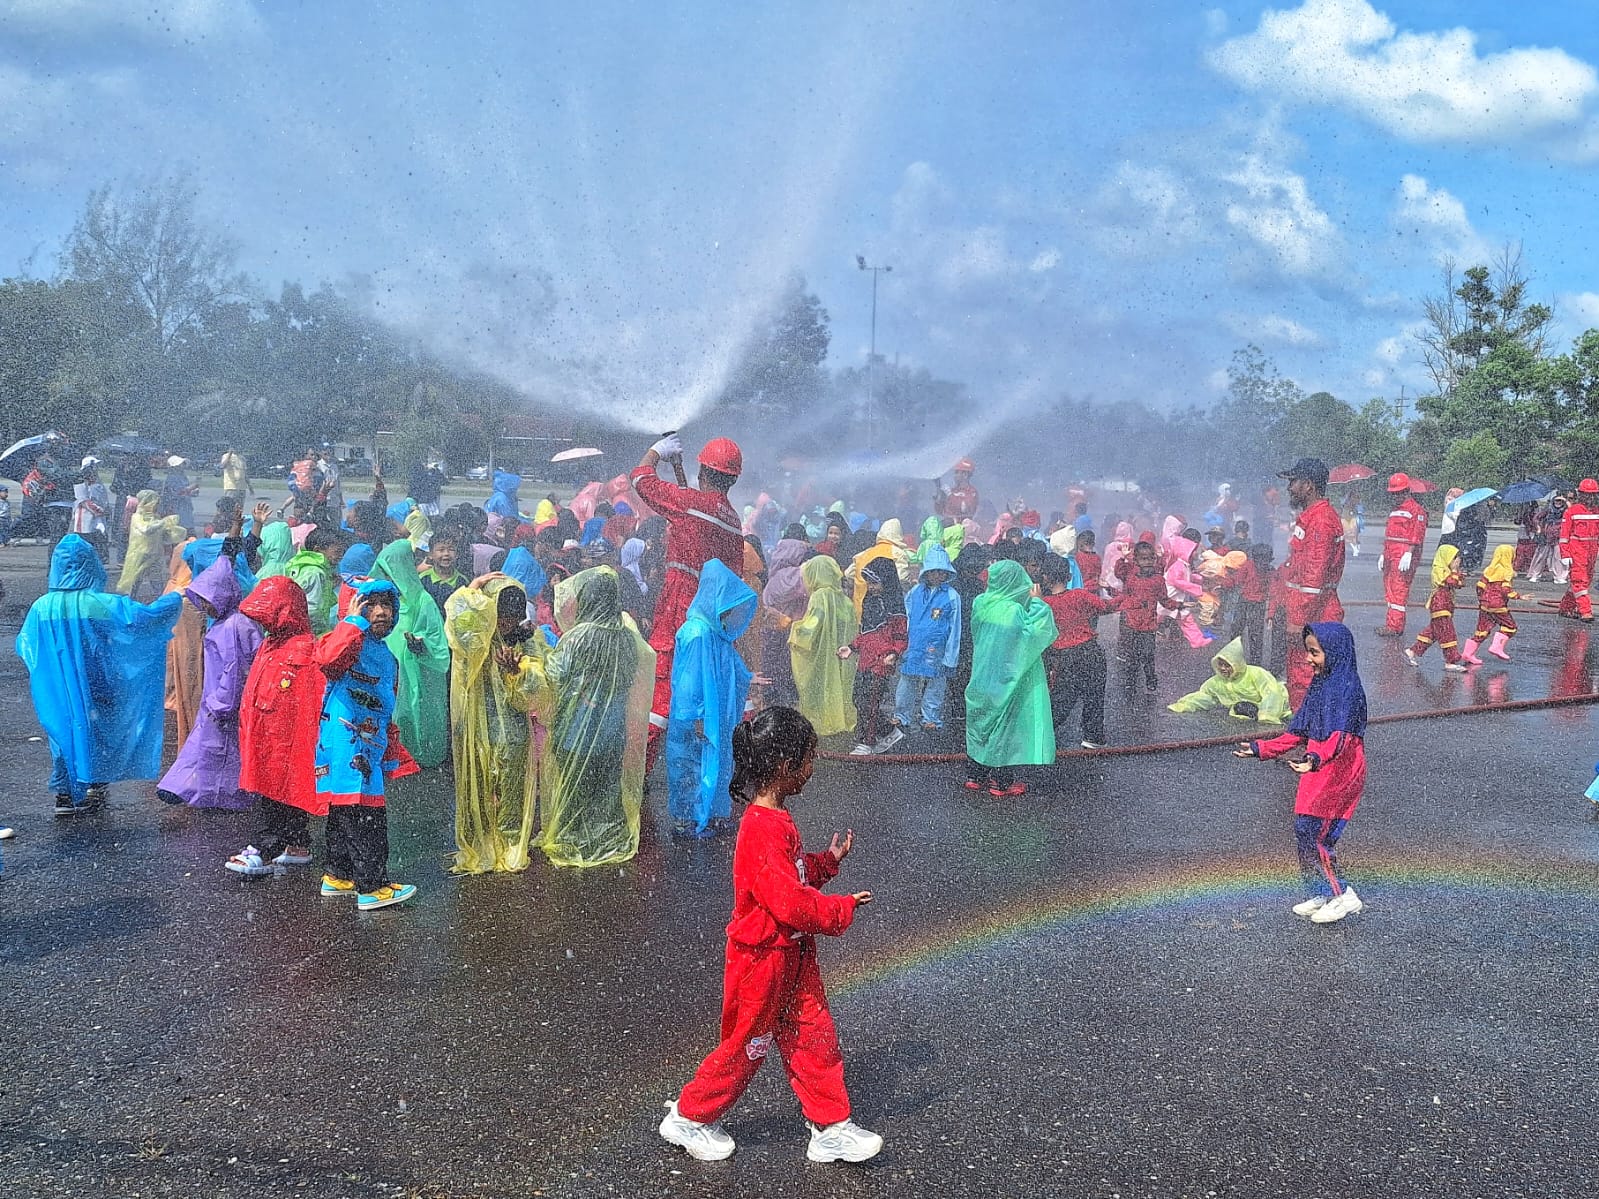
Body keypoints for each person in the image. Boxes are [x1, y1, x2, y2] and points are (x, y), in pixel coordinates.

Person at [658, 706, 880, 1165]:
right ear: (784, 768)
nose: (812, 768)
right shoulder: (760, 829)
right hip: (761, 961)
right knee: (746, 1043)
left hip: (793, 953)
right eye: (808, 759)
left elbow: (791, 879)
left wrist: (827, 862)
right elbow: (789, 902)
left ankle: (830, 1127)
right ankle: (689, 1116)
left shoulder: (777, 819)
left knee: (813, 1035)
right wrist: (839, 908)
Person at [17, 535, 182, 816]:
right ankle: (94, 781)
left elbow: (27, 647)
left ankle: (65, 793)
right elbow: (142, 619)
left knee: (62, 733)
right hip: (99, 679)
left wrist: (52, 672)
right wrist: (177, 598)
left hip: (55, 687)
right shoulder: (98, 603)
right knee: (97, 729)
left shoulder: (40, 607)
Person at [1233, 622, 1367, 924]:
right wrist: (1262, 749)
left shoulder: (1347, 688)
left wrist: (1316, 759)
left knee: (1319, 835)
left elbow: (1342, 737)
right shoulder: (1321, 684)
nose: (1308, 659)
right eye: (1309, 651)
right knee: (1303, 830)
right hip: (1318, 765)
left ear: (1334, 653)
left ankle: (1344, 895)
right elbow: (1299, 731)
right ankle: (1321, 891)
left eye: (1315, 653)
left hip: (1340, 768)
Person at [631, 434, 745, 764]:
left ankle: (638, 776)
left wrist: (656, 451)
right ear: (734, 478)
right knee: (697, 699)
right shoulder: (734, 523)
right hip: (708, 621)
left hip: (677, 608)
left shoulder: (692, 505)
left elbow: (640, 478)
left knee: (659, 692)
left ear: (702, 471)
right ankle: (697, 782)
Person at [536, 567, 655, 868]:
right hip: (613, 729)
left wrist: (537, 653)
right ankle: (606, 839)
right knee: (606, 790)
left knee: (575, 788)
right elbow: (629, 679)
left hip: (576, 729)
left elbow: (555, 674)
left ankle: (573, 838)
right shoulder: (628, 639)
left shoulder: (578, 638)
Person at [315, 579, 419, 910]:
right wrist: (351, 622)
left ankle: (338, 874)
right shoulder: (348, 641)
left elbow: (384, 705)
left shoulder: (385, 655)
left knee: (346, 811)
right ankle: (372, 885)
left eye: (387, 606)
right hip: (348, 747)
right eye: (370, 605)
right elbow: (329, 660)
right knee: (364, 816)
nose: (380, 613)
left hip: (368, 746)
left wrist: (391, 750)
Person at [223, 577, 324, 878]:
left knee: (276, 791)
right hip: (271, 735)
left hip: (286, 738)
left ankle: (264, 848)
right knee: (282, 790)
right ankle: (297, 842)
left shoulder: (304, 649)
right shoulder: (274, 643)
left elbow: (309, 697)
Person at [446, 574, 544, 873]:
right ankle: (481, 839)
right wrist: (473, 588)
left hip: (513, 728)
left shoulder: (528, 640)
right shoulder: (474, 639)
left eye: (514, 615)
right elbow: (458, 621)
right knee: (478, 783)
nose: (508, 622)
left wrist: (518, 672)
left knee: (511, 786)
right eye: (502, 614)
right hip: (477, 726)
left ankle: (511, 840)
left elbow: (540, 687)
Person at [155, 555, 264, 810]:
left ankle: (216, 795)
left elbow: (235, 669)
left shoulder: (232, 625)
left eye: (208, 599)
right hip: (216, 700)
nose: (205, 605)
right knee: (209, 747)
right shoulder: (231, 621)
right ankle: (185, 787)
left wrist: (222, 704)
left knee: (218, 751)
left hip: (223, 703)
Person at [666, 559, 757, 838]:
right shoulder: (697, 633)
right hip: (697, 718)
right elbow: (688, 685)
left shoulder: (716, 634)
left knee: (714, 761)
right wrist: (694, 718)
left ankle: (712, 814)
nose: (732, 614)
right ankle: (687, 819)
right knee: (691, 764)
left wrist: (752, 680)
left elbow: (732, 669)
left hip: (714, 717)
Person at [964, 559, 1056, 797]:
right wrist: (1037, 603)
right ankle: (1001, 782)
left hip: (983, 673)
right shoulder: (1013, 611)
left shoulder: (980, 603)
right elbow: (1035, 633)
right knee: (1005, 726)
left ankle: (976, 775)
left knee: (980, 723)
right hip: (1007, 676)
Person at [372, 538, 451, 769]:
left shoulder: (422, 601)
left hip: (417, 672)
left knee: (417, 715)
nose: (387, 578)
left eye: (390, 572)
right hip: (391, 668)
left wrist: (420, 646)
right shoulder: (384, 601)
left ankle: (420, 761)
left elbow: (438, 644)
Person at [1276, 458, 1346, 709]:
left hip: (1313, 614)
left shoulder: (1321, 521)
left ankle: (1310, 735)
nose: (1289, 488)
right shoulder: (1312, 517)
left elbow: (1313, 578)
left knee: (1307, 675)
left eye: (1293, 482)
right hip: (1306, 610)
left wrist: (1298, 620)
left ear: (1308, 486)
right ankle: (1305, 729)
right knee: (1301, 672)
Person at [1038, 552, 1116, 748]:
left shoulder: (1044, 604)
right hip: (1091, 650)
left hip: (1066, 656)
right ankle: (1093, 736)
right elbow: (1104, 607)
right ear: (1069, 577)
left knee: (1063, 698)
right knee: (1094, 695)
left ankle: (1040, 733)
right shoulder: (1080, 595)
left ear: (1045, 577)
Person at [893, 543, 961, 737]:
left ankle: (930, 718)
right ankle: (901, 714)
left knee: (936, 684)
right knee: (907, 681)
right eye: (934, 571)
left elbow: (955, 628)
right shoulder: (914, 592)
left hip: (937, 648)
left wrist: (951, 656)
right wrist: (903, 644)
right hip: (914, 645)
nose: (938, 575)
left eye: (942, 572)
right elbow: (906, 617)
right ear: (927, 572)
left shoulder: (952, 596)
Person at [842, 557, 907, 755]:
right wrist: (852, 647)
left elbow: (901, 634)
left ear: (887, 581)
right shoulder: (869, 602)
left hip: (881, 661)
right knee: (858, 699)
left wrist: (894, 653)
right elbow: (866, 633)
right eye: (869, 583)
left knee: (870, 701)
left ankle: (867, 742)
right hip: (865, 660)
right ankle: (889, 731)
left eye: (875, 582)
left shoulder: (894, 604)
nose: (871, 587)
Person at [789, 554, 858, 738]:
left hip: (821, 654)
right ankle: (837, 720)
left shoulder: (820, 596)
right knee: (836, 686)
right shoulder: (844, 598)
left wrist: (794, 629)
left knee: (819, 687)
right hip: (840, 655)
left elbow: (812, 625)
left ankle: (820, 722)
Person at [1168, 637, 1290, 724]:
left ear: (1236, 664)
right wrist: (1183, 705)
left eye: (1227, 665)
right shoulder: (1216, 682)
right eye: (1220, 665)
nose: (1223, 669)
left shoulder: (1256, 673)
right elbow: (1205, 697)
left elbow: (1272, 693)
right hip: (1246, 710)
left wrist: (1267, 716)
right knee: (1241, 707)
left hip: (1282, 706)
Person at [759, 538, 813, 709]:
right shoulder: (785, 576)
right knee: (781, 674)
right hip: (781, 632)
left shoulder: (779, 574)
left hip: (778, 632)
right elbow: (811, 580)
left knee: (777, 674)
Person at [1376, 473, 1428, 637]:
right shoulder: (1395, 511)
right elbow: (1390, 534)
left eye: (1399, 493)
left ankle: (1395, 626)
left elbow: (1417, 534)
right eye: (1393, 493)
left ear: (1407, 491)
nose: (1396, 496)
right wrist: (1384, 554)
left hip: (1404, 554)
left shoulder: (1416, 510)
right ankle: (1390, 623)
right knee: (1389, 587)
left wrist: (1409, 553)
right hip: (1391, 552)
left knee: (1399, 588)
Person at [1405, 544, 1468, 672]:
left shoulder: (1448, 570)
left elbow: (1460, 583)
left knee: (1433, 632)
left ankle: (1412, 651)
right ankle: (1451, 660)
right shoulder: (1439, 569)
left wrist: (1457, 574)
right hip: (1440, 605)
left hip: (1446, 605)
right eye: (1454, 558)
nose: (1457, 561)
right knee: (1447, 632)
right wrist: (1455, 572)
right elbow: (1451, 582)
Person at [117, 489, 185, 599]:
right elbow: (146, 529)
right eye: (154, 503)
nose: (156, 505)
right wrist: (163, 522)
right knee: (135, 581)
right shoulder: (137, 517)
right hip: (140, 555)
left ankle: (160, 603)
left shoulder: (155, 517)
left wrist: (173, 532)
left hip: (155, 555)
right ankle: (130, 602)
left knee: (157, 581)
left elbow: (160, 536)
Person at [1462, 544, 1520, 664]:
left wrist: (1482, 600)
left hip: (1485, 605)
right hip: (1498, 605)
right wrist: (1518, 596)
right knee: (1510, 627)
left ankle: (1468, 654)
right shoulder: (1506, 571)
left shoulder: (1489, 570)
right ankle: (1496, 647)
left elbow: (1479, 586)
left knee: (1482, 630)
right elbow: (1505, 590)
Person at [286, 527, 341, 634]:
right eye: (337, 552)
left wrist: (329, 586)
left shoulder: (304, 567)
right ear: (317, 550)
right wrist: (324, 634)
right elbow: (313, 611)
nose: (340, 556)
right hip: (311, 633)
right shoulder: (315, 573)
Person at [1558, 479, 1599, 622]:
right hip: (1577, 552)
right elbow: (1564, 536)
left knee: (1585, 581)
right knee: (1579, 581)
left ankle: (1565, 607)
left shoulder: (1596, 511)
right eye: (1587, 494)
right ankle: (1585, 611)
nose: (1590, 498)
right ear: (1580, 494)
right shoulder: (1571, 512)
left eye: (1593, 495)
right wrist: (1565, 553)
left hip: (1591, 552)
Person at [1227, 543, 1272, 665]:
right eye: (1260, 560)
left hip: (1258, 605)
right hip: (1245, 602)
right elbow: (1236, 580)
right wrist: (1223, 585)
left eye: (1265, 560)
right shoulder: (1248, 566)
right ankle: (1233, 658)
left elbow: (1273, 590)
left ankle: (1255, 663)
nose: (1262, 563)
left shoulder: (1270, 571)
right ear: (1255, 558)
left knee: (1256, 635)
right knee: (1236, 631)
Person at [159, 456, 198, 532]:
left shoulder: (182, 476)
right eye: (180, 465)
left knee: (187, 527)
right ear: (174, 467)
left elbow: (184, 493)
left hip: (185, 506)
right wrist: (191, 488)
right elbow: (177, 493)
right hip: (176, 507)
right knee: (180, 529)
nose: (182, 466)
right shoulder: (172, 478)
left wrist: (193, 492)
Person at [936, 458, 979, 522]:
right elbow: (940, 512)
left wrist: (950, 495)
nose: (954, 476)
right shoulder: (953, 491)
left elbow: (964, 509)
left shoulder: (971, 492)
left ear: (965, 475)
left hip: (961, 528)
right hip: (947, 526)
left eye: (957, 472)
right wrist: (939, 499)